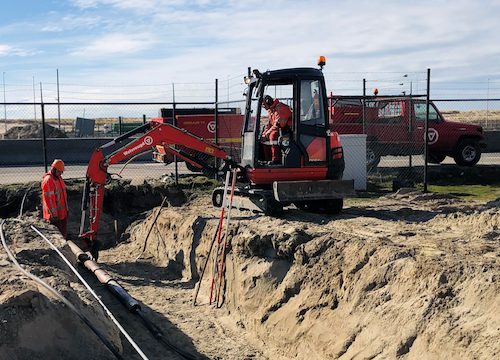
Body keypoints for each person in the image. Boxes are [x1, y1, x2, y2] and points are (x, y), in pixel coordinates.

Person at [261, 95, 292, 165]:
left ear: (268, 102)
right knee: (263, 138)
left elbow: (279, 124)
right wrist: (264, 133)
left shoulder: (280, 108)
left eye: (263, 105)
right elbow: (270, 124)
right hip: (280, 128)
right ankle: (268, 159)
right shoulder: (271, 110)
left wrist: (268, 133)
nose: (263, 107)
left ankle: (276, 159)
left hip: (287, 130)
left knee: (273, 136)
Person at [41, 159, 68, 239]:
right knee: (58, 238)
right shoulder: (49, 180)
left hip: (62, 214)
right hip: (55, 217)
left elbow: (62, 196)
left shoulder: (58, 178)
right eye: (59, 172)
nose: (61, 174)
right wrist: (54, 215)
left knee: (63, 235)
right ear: (54, 169)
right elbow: (49, 200)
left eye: (61, 172)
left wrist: (66, 210)